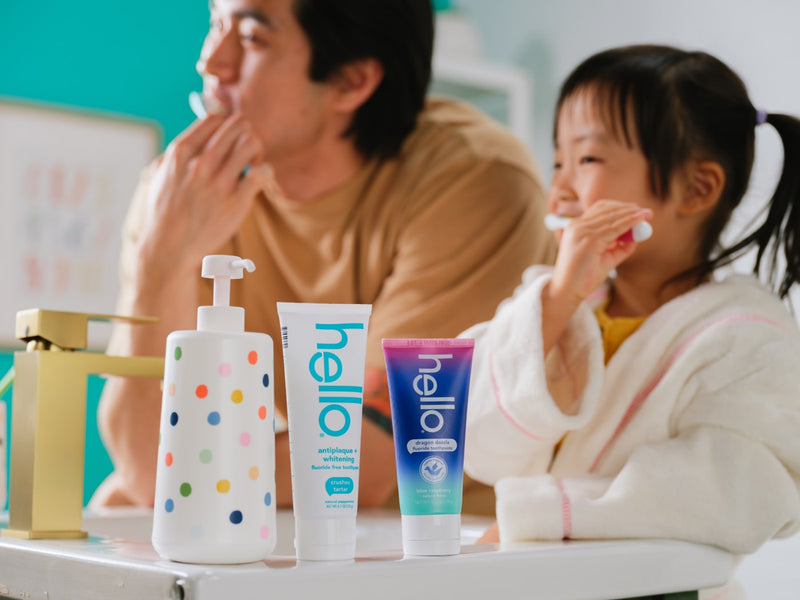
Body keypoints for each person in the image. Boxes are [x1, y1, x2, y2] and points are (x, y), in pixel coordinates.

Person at [92, 0, 555, 512]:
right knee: (114, 506)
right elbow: (139, 455)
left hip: (458, 539)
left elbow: (360, 468)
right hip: (308, 524)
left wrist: (164, 476)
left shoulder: (476, 182)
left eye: (250, 38)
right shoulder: (179, 200)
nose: (210, 62)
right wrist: (161, 261)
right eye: (215, 23)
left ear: (350, 82)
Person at [462, 44, 800, 566]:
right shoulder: (553, 306)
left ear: (697, 187)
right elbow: (479, 441)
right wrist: (557, 301)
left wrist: (543, 514)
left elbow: (730, 493)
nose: (560, 190)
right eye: (557, 161)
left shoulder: (749, 338)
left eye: (588, 158)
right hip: (527, 580)